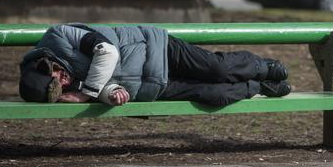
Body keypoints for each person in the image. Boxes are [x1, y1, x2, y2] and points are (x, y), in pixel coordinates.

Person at [19, 23, 291, 107]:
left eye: (55, 73)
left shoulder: (61, 36)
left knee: (216, 69)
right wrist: (111, 94)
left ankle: (263, 67)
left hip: (157, 49)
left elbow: (107, 53)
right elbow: (100, 84)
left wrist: (86, 92)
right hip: (151, 86)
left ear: (44, 62)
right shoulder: (68, 88)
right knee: (215, 95)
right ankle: (259, 86)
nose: (62, 78)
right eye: (58, 84)